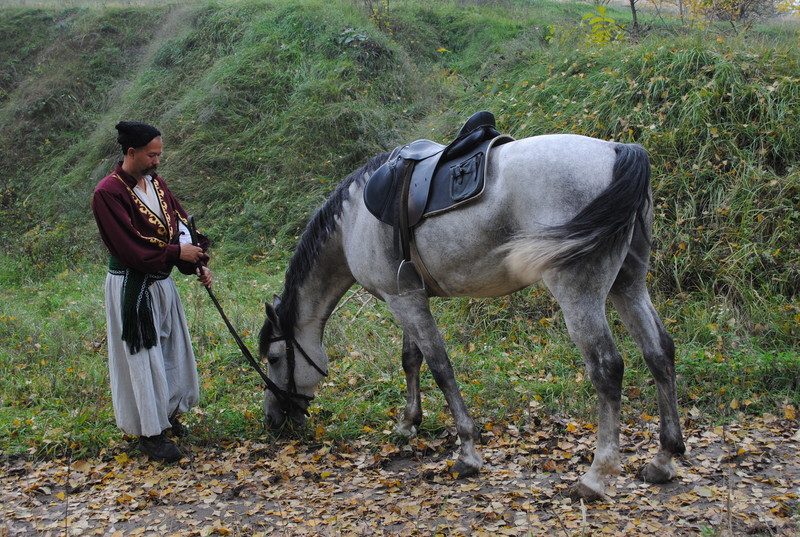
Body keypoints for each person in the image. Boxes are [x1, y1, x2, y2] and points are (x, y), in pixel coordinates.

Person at [91, 121, 212, 462]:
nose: (157, 161)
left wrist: (197, 259)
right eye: (151, 155)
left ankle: (167, 414)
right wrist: (177, 254)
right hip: (133, 286)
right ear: (131, 152)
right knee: (142, 357)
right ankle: (150, 433)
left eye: (159, 154)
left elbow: (181, 226)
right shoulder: (108, 193)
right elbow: (130, 248)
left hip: (161, 283)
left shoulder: (156, 184)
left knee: (170, 351)